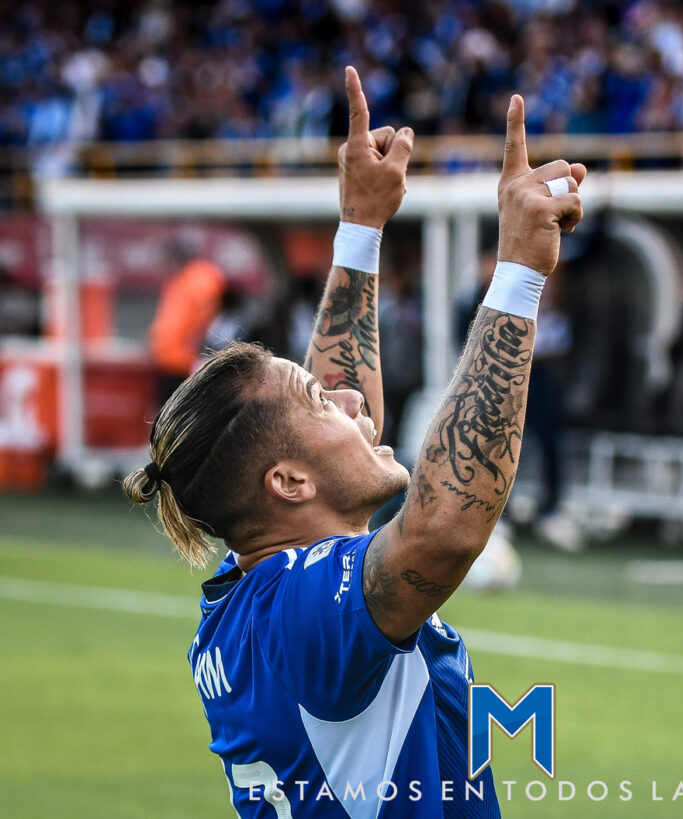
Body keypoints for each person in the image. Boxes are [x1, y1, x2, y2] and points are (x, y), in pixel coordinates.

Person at [123, 67, 585, 817]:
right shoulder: (307, 611)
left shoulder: (256, 599)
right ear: (290, 484)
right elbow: (443, 530)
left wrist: (361, 229)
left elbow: (327, 423)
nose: (340, 392)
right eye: (315, 398)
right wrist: (520, 278)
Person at [148, 242, 228, 405]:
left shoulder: (201, 278)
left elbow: (209, 318)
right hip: (171, 361)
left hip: (186, 363)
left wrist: (198, 348)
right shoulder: (180, 279)